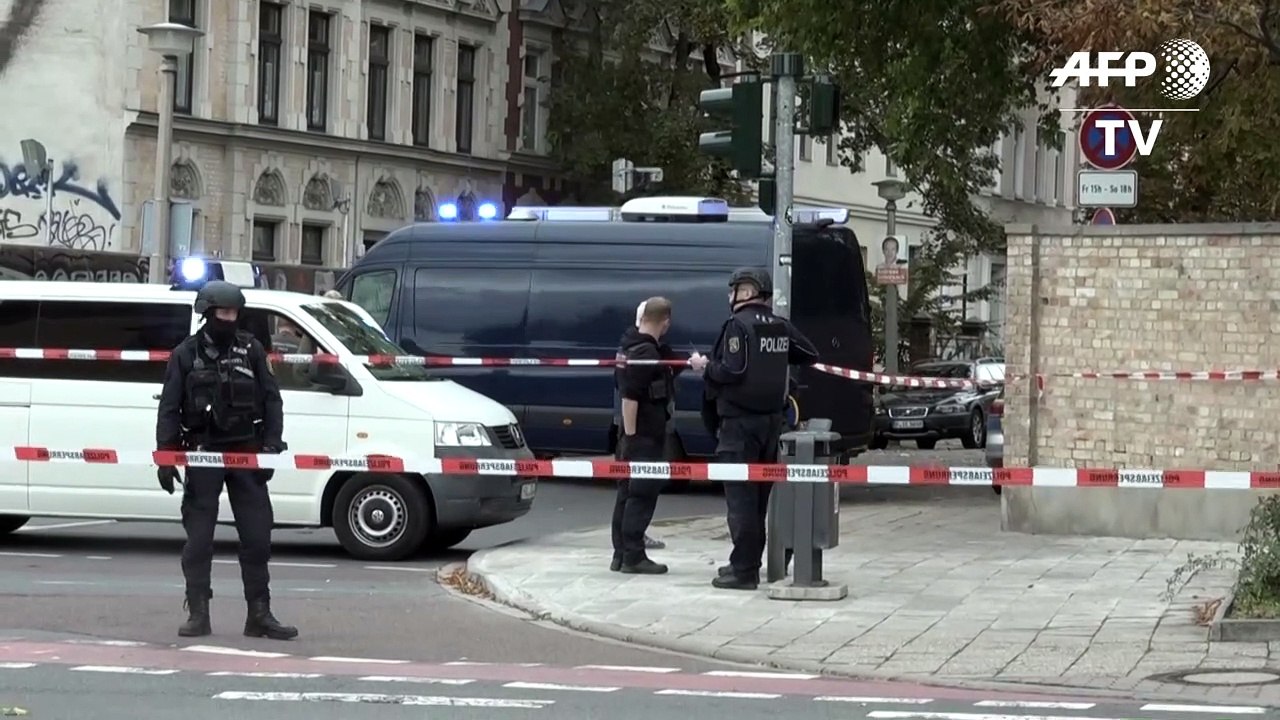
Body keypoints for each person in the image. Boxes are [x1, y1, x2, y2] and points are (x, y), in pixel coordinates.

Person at [155, 280, 297, 640]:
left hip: (246, 452)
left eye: (234, 313)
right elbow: (169, 407)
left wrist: (270, 446)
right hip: (203, 452)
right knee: (199, 539)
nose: (229, 319)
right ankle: (198, 612)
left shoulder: (251, 349)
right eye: (223, 313)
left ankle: (260, 614)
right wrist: (166, 455)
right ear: (208, 313)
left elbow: (272, 400)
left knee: (258, 536)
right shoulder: (185, 354)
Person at [689, 268, 819, 590]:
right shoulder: (779, 325)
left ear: (746, 291)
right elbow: (810, 354)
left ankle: (744, 571)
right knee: (758, 500)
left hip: (739, 426)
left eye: (734, 289)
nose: (730, 295)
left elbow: (733, 370)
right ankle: (744, 562)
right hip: (771, 424)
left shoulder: (738, 326)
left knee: (741, 501)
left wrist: (705, 368)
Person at [609, 297, 700, 574]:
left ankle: (621, 554)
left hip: (635, 433)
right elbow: (630, 398)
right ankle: (633, 556)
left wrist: (687, 363)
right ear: (666, 322)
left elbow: (661, 371)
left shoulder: (635, 346)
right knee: (641, 494)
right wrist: (633, 438)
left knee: (627, 493)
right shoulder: (643, 352)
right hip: (643, 435)